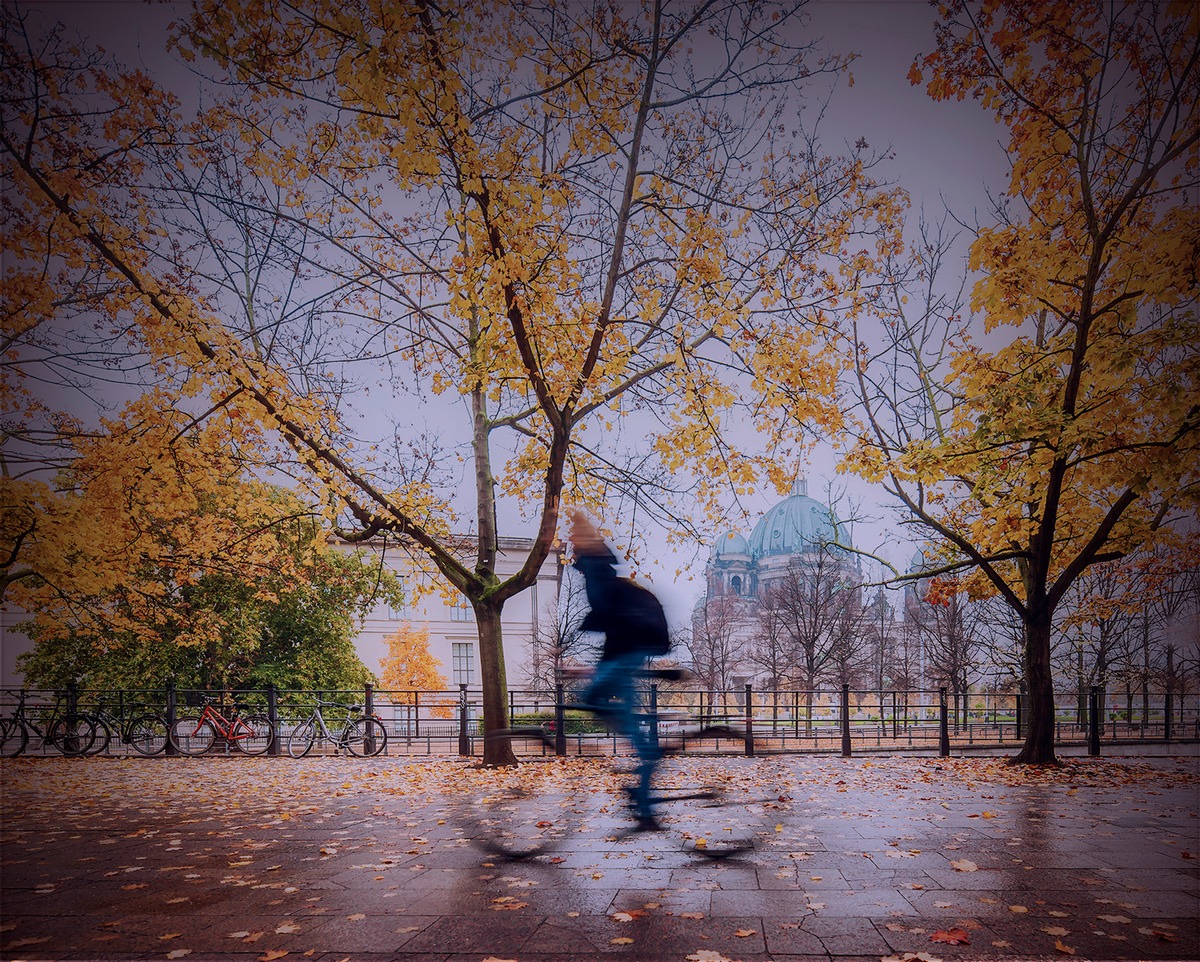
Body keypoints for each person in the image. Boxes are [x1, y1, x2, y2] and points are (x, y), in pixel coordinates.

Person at [567, 511, 671, 832]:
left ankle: (643, 796)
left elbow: (614, 624)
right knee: (606, 704)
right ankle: (642, 794)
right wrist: (592, 668)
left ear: (582, 540)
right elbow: (614, 629)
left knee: (594, 697)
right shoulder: (596, 568)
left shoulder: (596, 569)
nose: (568, 542)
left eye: (572, 537)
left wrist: (591, 670)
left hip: (634, 646)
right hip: (631, 646)